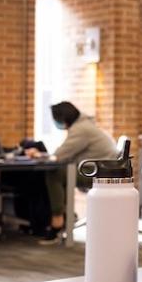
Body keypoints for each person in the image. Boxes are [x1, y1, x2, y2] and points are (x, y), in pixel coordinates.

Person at [26, 101, 116, 241]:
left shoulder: (81, 129)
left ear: (63, 118)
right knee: (62, 172)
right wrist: (43, 155)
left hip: (97, 174)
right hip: (99, 170)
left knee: (55, 174)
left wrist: (38, 155)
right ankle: (66, 216)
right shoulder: (85, 125)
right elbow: (64, 155)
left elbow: (59, 155)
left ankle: (58, 221)